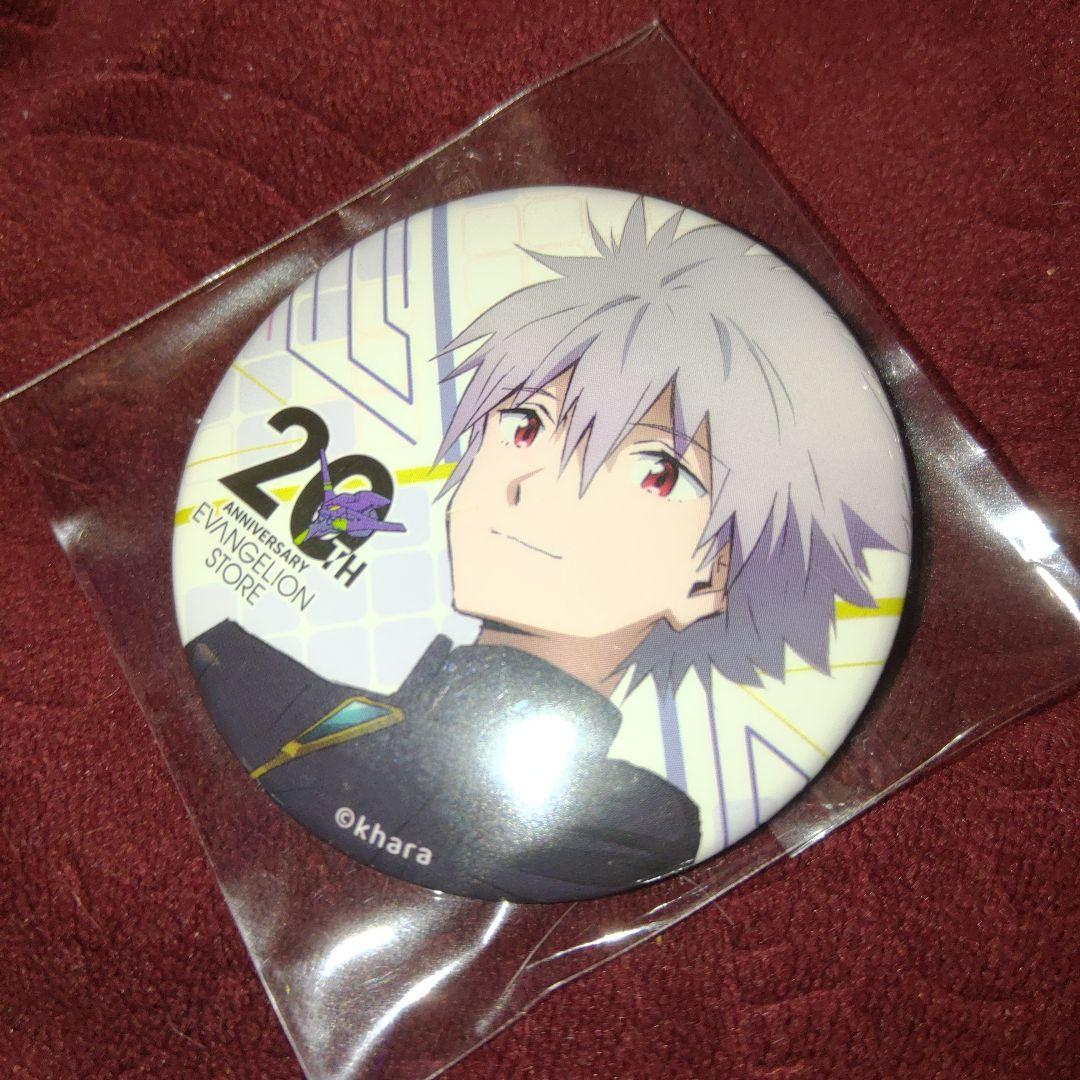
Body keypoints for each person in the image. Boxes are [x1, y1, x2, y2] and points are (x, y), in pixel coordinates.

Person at [186, 198, 911, 902]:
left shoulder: (625, 834)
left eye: (659, 473)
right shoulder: (247, 678)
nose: (534, 482)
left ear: (712, 579)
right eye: (526, 424)